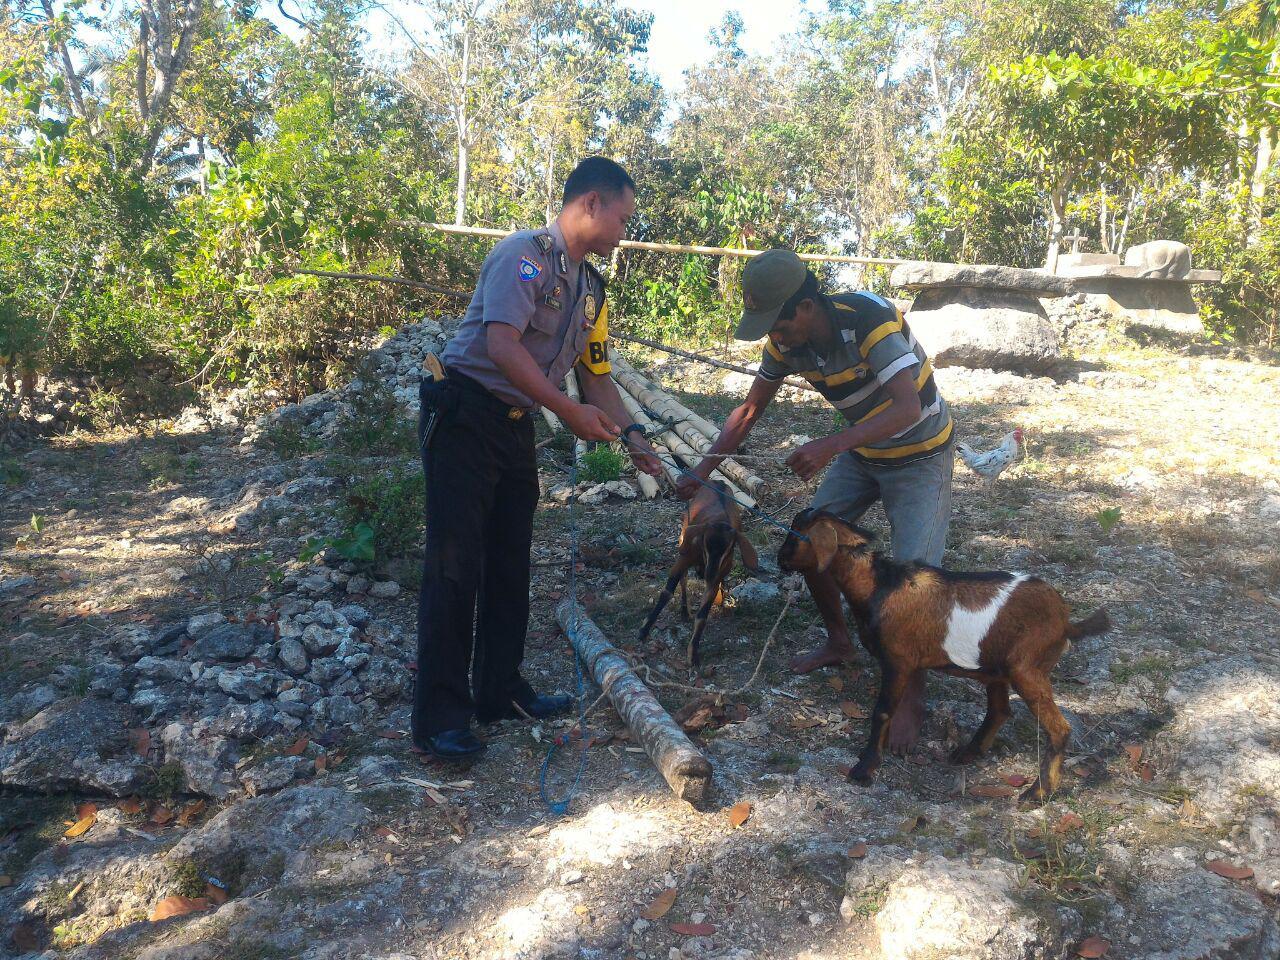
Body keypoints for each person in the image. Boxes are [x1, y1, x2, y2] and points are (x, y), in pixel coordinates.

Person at [414, 157, 662, 760]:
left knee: (510, 562)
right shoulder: (522, 256)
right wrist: (569, 414)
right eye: (624, 218)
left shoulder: (591, 290)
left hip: (515, 424)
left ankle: (499, 690)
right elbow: (501, 348)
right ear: (593, 204)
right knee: (454, 566)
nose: (625, 232)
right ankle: (441, 718)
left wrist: (634, 438)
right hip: (465, 413)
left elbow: (595, 377)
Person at [676, 248, 954, 753]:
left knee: (915, 579)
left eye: (777, 324)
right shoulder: (785, 348)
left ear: (805, 307)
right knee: (808, 543)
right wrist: (700, 471)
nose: (772, 337)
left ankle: (912, 696)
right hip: (863, 451)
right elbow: (748, 410)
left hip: (921, 456)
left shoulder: (869, 320)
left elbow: (906, 407)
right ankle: (839, 642)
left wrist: (828, 446)